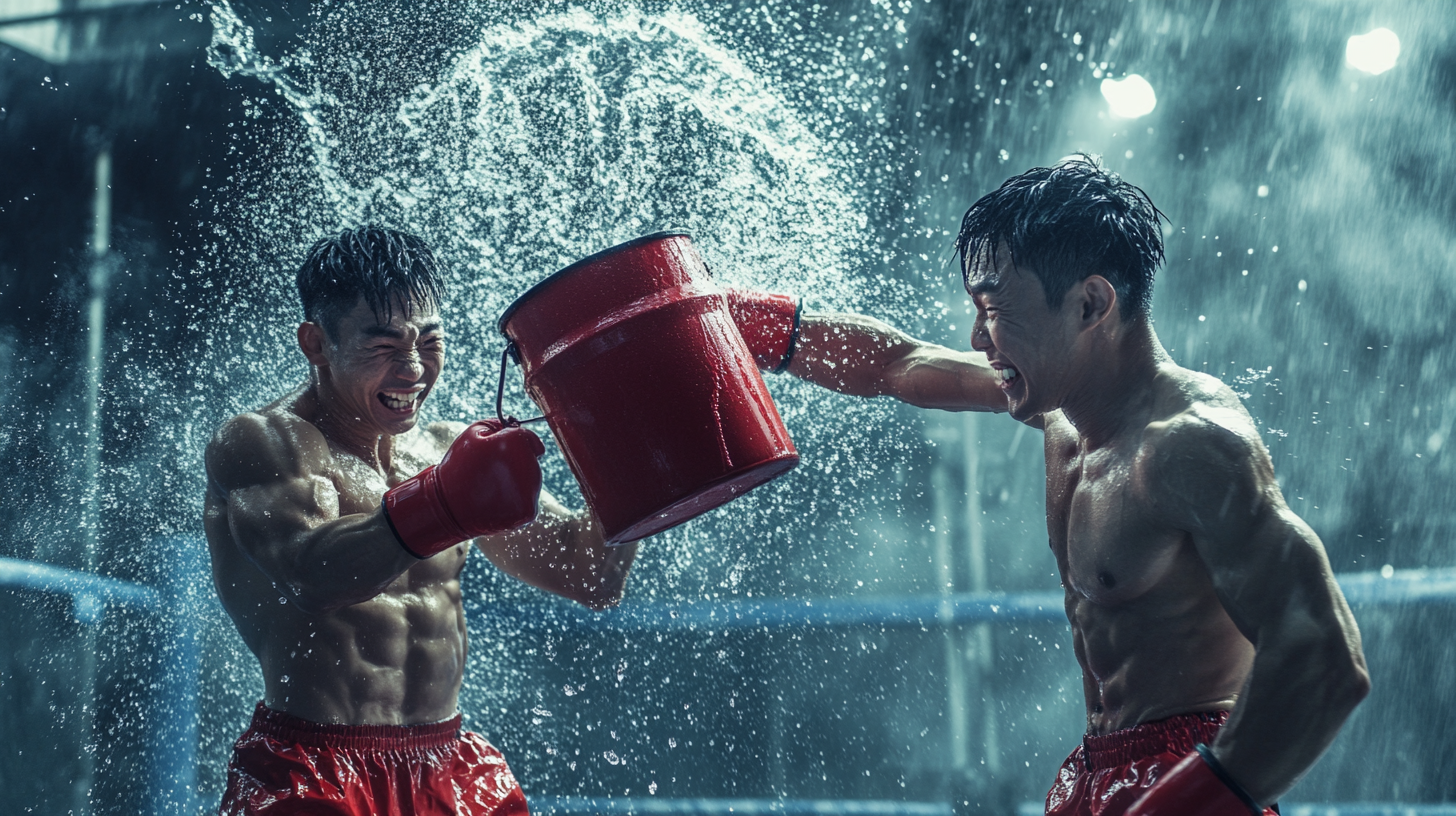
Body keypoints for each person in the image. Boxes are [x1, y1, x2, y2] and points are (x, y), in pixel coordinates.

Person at [729, 155, 1370, 815]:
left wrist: (1185, 802)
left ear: (1090, 303)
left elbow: (1324, 655)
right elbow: (901, 363)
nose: (978, 337)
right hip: (1093, 773)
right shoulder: (1062, 404)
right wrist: (750, 327)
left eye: (994, 309)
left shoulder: (1192, 446)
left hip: (1196, 774)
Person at [203, 226, 639, 815]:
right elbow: (311, 575)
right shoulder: (264, 443)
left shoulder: (444, 450)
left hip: (449, 766)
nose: (412, 369)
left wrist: (639, 452)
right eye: (382, 345)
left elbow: (590, 575)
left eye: (429, 342)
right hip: (313, 769)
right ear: (316, 343)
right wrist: (444, 502)